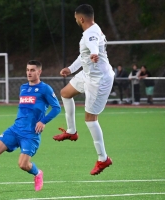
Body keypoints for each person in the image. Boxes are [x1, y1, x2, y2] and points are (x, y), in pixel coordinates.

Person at [0, 60, 61, 192]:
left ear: (39, 72)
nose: (29, 72)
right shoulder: (23, 87)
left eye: (32, 70)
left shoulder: (45, 89)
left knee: (23, 165)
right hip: (15, 129)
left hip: (30, 134)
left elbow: (56, 108)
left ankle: (38, 173)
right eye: (27, 70)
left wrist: (43, 121)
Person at [52, 4, 114, 175]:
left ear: (80, 18)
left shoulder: (91, 33)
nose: (76, 21)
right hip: (88, 74)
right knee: (65, 93)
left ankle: (103, 159)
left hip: (98, 80)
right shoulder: (93, 30)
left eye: (75, 19)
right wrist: (71, 69)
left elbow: (93, 47)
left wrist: (95, 53)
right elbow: (84, 54)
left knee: (91, 119)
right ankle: (71, 131)